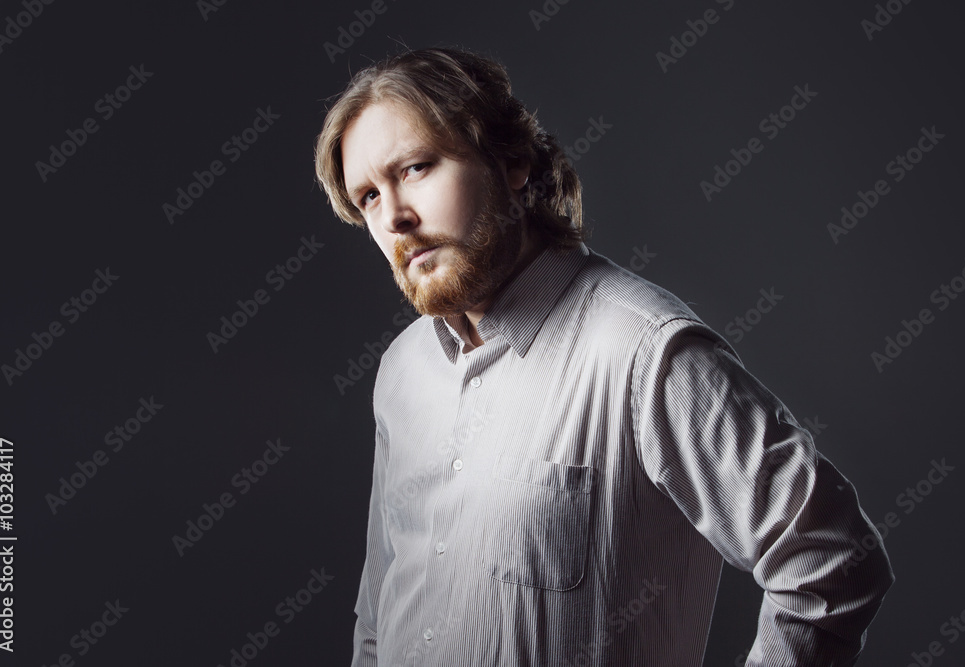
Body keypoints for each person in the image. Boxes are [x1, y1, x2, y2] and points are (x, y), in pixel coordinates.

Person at [314, 46, 893, 667]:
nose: (395, 218)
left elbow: (831, 553)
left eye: (416, 168)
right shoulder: (402, 371)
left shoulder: (642, 351)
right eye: (368, 196)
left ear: (511, 162)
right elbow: (381, 598)